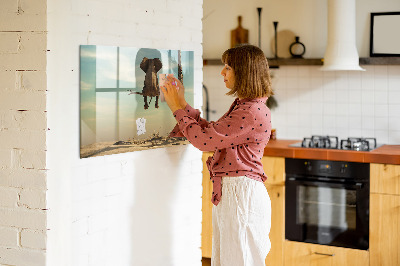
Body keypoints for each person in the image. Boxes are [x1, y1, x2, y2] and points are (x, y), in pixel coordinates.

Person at [161, 44, 273, 266]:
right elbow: (212, 133)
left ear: (244, 72)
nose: (222, 72)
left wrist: (176, 107)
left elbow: (204, 141)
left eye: (228, 67)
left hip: (241, 195)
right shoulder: (246, 106)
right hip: (236, 193)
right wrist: (182, 103)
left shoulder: (250, 111)